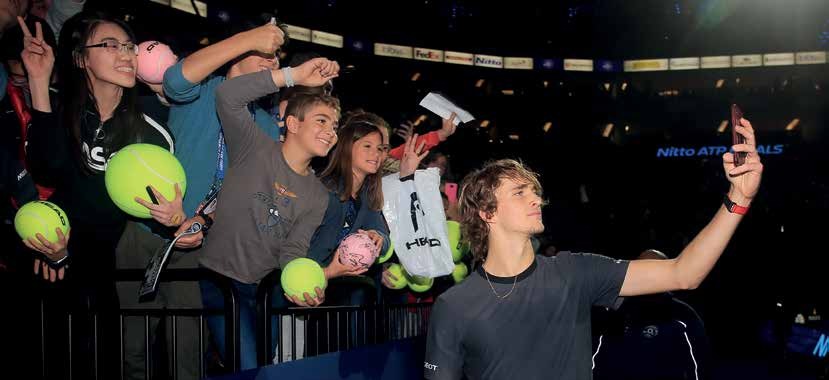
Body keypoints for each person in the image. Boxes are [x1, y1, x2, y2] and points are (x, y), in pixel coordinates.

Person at [424, 117, 762, 380]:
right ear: (488, 213)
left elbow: (683, 273)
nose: (536, 199)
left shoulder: (574, 272)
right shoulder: (454, 306)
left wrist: (738, 199)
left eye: (535, 191)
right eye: (519, 193)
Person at [19, 11, 175, 378]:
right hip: (49, 257)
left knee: (103, 359)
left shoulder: (150, 130)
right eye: (110, 45)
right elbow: (46, 170)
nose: (126, 54)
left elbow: (149, 210)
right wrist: (38, 81)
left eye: (129, 46)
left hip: (104, 267)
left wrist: (175, 218)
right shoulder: (60, 108)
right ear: (81, 59)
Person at [198, 57, 340, 370]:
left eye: (334, 126)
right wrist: (293, 75)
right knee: (249, 367)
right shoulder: (254, 147)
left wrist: (302, 286)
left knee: (262, 367)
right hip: (218, 281)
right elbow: (227, 96)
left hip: (263, 291)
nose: (330, 132)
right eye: (321, 121)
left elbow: (293, 250)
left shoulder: (319, 196)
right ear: (293, 124)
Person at [591, 249, 712, 380]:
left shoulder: (682, 315)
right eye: (640, 268)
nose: (645, 274)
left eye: (652, 268)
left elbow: (700, 364)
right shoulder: (613, 312)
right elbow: (592, 359)